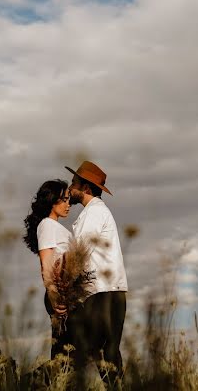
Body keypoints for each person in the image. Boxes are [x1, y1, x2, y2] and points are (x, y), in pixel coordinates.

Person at [66, 161, 127, 383]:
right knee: (108, 354)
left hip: (101, 293)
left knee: (83, 353)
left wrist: (66, 291)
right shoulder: (99, 212)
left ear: (86, 189)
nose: (69, 188)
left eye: (74, 183)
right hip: (112, 291)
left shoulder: (93, 213)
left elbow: (79, 254)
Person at [22, 179, 74, 358]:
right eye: (64, 199)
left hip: (64, 294)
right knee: (62, 356)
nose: (69, 204)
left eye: (69, 199)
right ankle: (28, 383)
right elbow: (46, 263)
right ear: (52, 200)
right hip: (58, 296)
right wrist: (54, 296)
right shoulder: (47, 225)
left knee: (67, 355)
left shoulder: (54, 226)